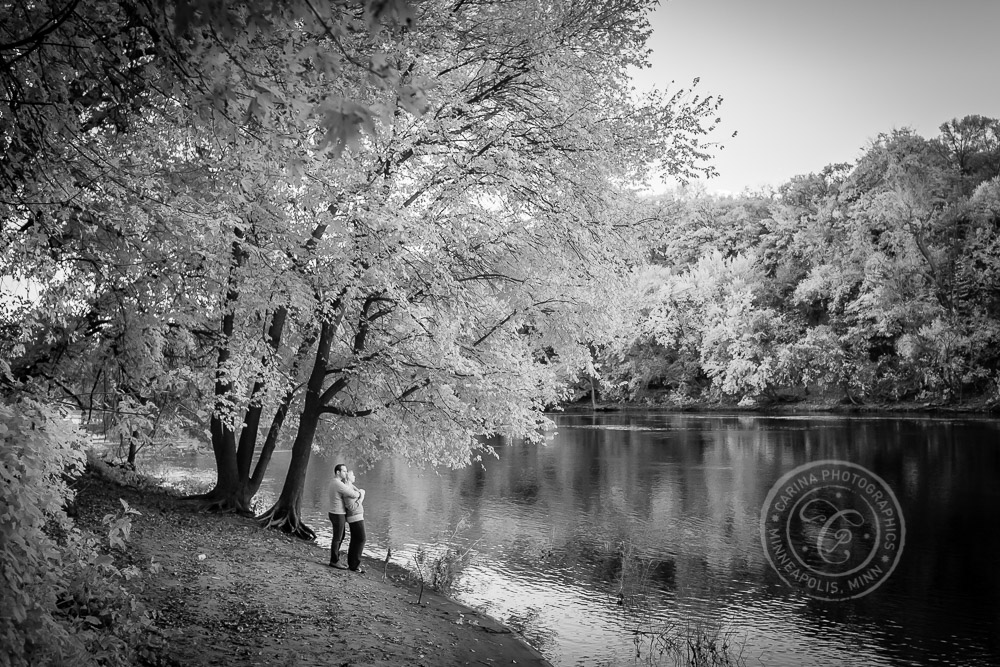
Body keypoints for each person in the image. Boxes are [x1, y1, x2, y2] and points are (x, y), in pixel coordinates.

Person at [327, 463, 359, 569]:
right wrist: (361, 494)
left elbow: (350, 488)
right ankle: (334, 561)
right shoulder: (338, 484)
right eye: (344, 471)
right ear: (338, 472)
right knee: (338, 537)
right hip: (337, 514)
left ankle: (335, 559)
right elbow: (352, 494)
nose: (346, 473)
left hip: (335, 513)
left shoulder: (335, 482)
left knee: (340, 536)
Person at [344, 470, 366, 574]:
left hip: (357, 516)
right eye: (352, 475)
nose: (354, 476)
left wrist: (360, 493)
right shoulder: (347, 489)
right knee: (361, 539)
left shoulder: (351, 487)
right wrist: (361, 497)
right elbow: (351, 507)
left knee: (355, 540)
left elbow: (357, 496)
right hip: (355, 517)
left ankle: (353, 564)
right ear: (348, 477)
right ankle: (354, 565)